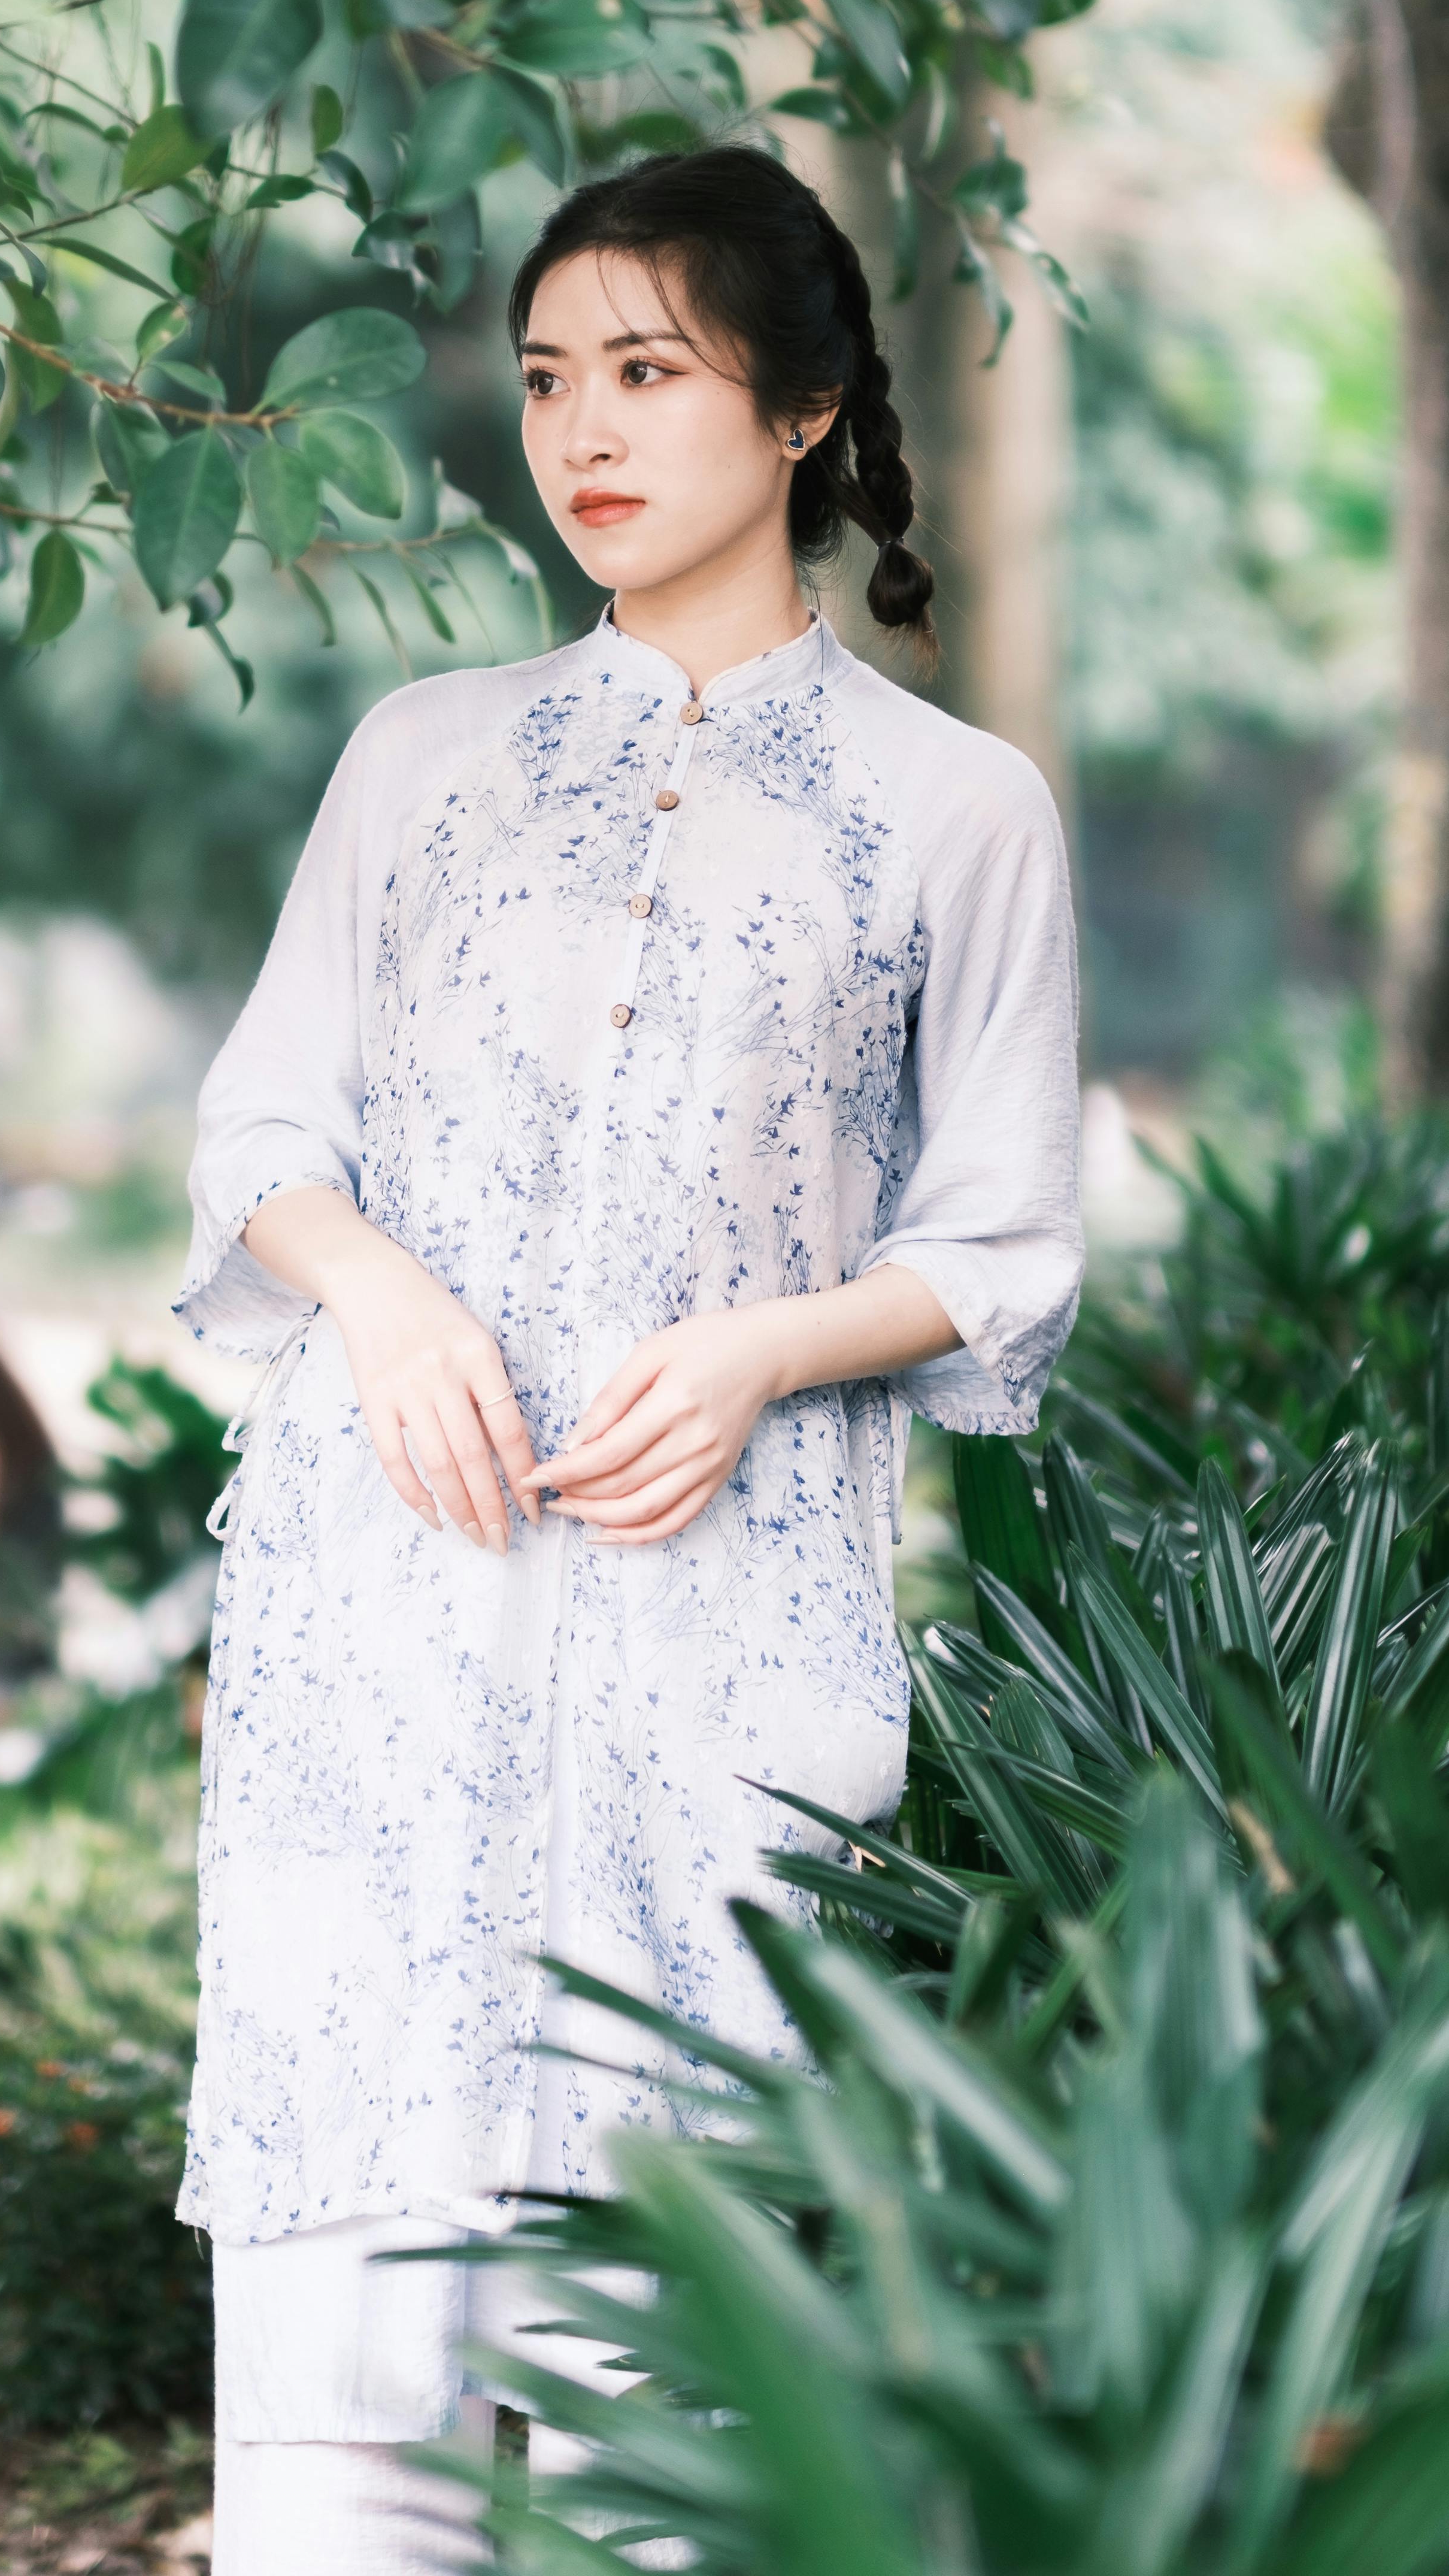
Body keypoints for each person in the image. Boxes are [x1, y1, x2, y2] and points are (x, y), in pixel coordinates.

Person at [176, 147, 1084, 2570]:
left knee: (668, 2389)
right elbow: (262, 1121)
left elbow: (1002, 1241)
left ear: (795, 409)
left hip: (722, 1613)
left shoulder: (951, 808)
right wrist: (376, 1286)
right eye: (554, 376)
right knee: (346, 2393)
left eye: (650, 372)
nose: (580, 427)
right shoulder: (420, 758)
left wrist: (777, 1345)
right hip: (384, 1604)